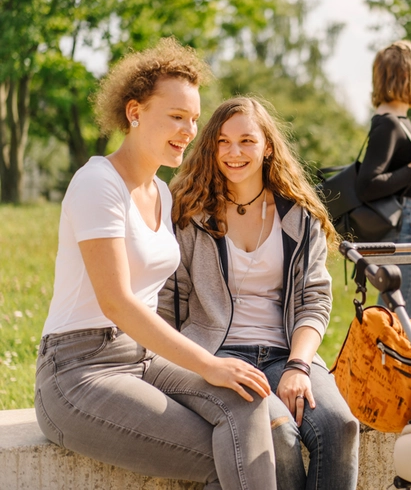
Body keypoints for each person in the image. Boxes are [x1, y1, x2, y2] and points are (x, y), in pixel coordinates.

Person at [34, 39, 277, 490]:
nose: (190, 130)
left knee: (247, 403)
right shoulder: (97, 184)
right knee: (229, 454)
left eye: (193, 118)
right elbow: (118, 303)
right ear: (135, 112)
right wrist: (210, 364)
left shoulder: (161, 193)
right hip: (77, 372)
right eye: (176, 116)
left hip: (143, 359)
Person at [159, 96, 359, 490]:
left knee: (339, 425)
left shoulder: (300, 215)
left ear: (268, 146)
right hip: (218, 354)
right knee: (279, 437)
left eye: (247, 141)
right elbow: (168, 302)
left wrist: (299, 367)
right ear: (211, 146)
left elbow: (314, 301)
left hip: (288, 351)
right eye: (223, 142)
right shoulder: (188, 213)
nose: (234, 152)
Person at [356, 40, 411, 319]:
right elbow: (368, 185)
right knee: (400, 335)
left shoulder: (399, 121)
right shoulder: (388, 122)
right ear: (405, 74)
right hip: (410, 235)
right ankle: (360, 365)